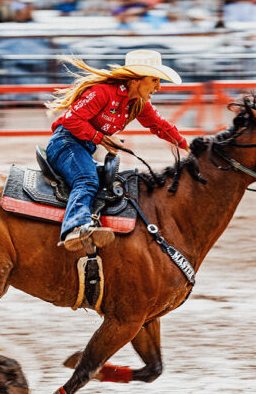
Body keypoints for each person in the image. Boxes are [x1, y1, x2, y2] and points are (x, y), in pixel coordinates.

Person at [45, 49, 190, 251]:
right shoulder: (103, 92)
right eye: (155, 80)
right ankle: (75, 228)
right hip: (65, 144)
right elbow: (71, 120)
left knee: (108, 184)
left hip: (82, 148)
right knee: (87, 180)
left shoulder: (137, 104)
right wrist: (101, 139)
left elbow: (160, 125)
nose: (158, 87)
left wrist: (185, 145)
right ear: (137, 79)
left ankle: (92, 221)